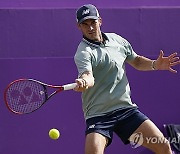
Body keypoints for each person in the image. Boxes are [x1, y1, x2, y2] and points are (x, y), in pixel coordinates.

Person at [73, 4, 180, 154]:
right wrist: (84, 82)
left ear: (100, 21)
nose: (90, 28)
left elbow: (136, 61)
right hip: (98, 117)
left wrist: (155, 64)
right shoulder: (83, 52)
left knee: (163, 146)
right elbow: (88, 76)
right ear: (79, 26)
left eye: (93, 22)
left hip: (126, 112)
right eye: (85, 24)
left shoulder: (117, 40)